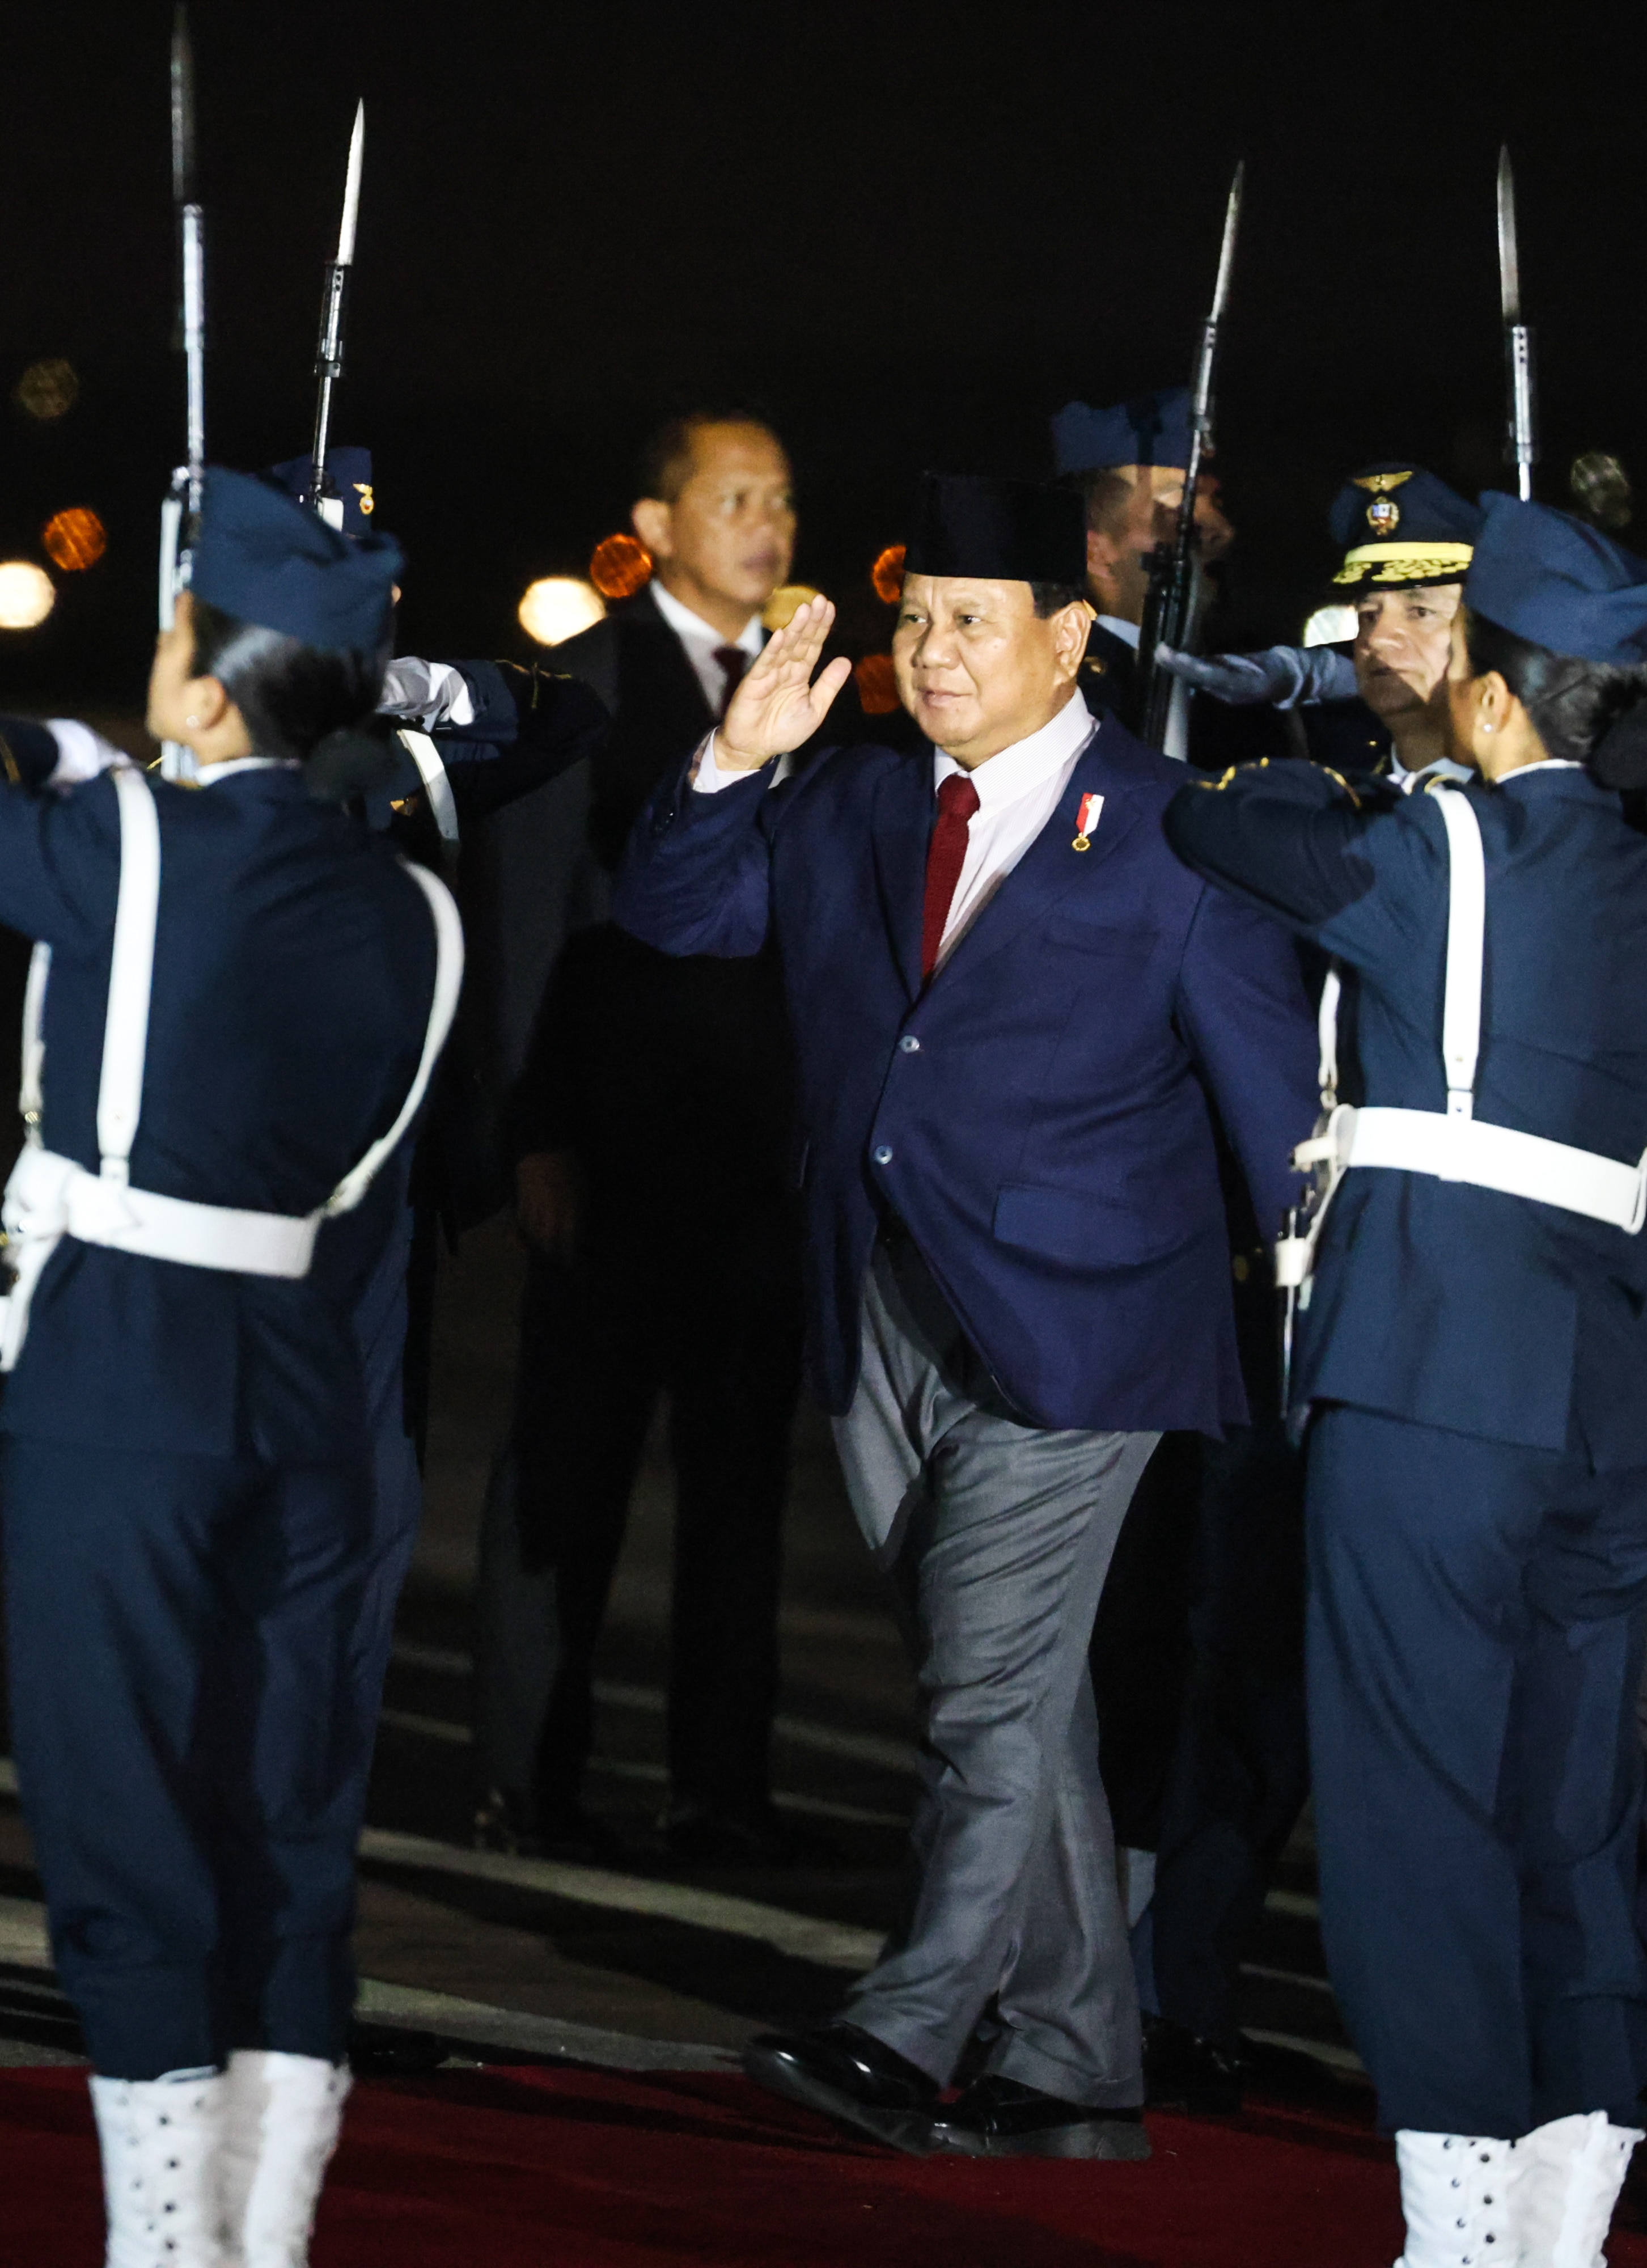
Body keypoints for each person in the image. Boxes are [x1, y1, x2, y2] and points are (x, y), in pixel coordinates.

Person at [613, 471, 1317, 2157]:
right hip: (876, 1305)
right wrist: (731, 757)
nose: (929, 652)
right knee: (1010, 1693)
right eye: (913, 615)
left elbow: (1272, 1111)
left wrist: (1297, 1335)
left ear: (1067, 638)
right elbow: (671, 914)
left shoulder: (1175, 830)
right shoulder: (847, 802)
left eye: (968, 621)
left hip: (1086, 1333)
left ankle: (908, 2022)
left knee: (982, 1700)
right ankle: (1075, 2053)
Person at [1165, 493, 1647, 2266]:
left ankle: (1455, 2232)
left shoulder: (1426, 850)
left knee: (1410, 1811)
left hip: (1431, 1366)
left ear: (1496, 687)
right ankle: (1565, 2219)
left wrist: (1315, 691)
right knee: (1574, 1813)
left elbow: (1217, 822)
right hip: (1605, 1385)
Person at [0, 469, 461, 2266]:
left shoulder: (131, 847)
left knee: (117, 1815)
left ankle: (166, 2246)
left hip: (123, 1371)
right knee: (282, 1816)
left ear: (203, 684)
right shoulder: (411, 905)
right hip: (308, 1383)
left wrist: (67, 743)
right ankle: (260, 2241)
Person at [439, 411, 857, 1865]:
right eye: (733, 496)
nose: (766, 523)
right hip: (607, 1155)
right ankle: (522, 1775)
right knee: (569, 1476)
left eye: (783, 498)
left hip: (751, 1161)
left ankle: (719, 1789)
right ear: (658, 520)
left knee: (740, 1492)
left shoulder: (811, 689)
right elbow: (529, 924)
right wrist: (534, 1131)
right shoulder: (594, 687)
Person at [1159, 461, 1485, 786]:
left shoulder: (1524, 812)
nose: (1377, 638)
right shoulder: (1337, 800)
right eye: (1368, 615)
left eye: (1420, 612)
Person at [1050, 387, 1235, 748]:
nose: (1222, 532)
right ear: (1096, 552)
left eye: (1214, 503)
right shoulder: (1064, 702)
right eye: (1176, 510)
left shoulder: (1243, 695)